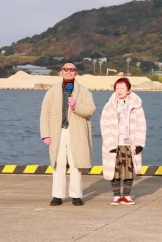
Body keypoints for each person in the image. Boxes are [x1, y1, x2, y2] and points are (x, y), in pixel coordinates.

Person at [40, 62, 96, 206]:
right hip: (57, 132)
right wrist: (45, 134)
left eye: (72, 70)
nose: (69, 72)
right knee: (58, 164)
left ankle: (76, 195)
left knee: (76, 163)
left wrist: (76, 106)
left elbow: (90, 110)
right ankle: (57, 195)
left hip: (76, 132)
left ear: (76, 73)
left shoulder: (84, 91)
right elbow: (45, 114)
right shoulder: (52, 91)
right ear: (61, 72)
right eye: (66, 69)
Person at [100, 77, 147, 205]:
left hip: (129, 143)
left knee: (128, 170)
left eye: (122, 88)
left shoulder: (136, 106)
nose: (119, 91)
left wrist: (139, 143)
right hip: (114, 143)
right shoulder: (109, 106)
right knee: (114, 171)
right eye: (117, 88)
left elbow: (141, 125)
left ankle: (126, 195)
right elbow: (104, 125)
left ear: (128, 89)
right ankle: (116, 196)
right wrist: (110, 144)